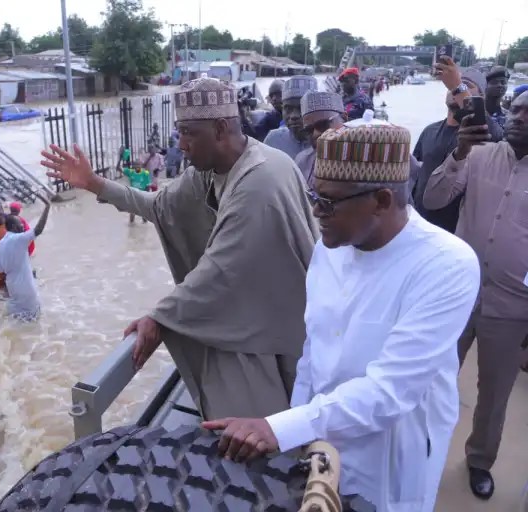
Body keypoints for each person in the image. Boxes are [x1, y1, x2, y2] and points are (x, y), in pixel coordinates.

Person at [204, 121, 481, 512]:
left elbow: (390, 392)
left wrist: (280, 428)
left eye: (329, 202)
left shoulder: (446, 265)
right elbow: (314, 351)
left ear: (382, 200)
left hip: (392, 450)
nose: (316, 211)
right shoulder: (329, 247)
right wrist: (296, 432)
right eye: (314, 195)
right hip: (320, 436)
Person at [41, 77, 318, 420]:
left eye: (189, 133)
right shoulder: (210, 170)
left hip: (284, 322)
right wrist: (94, 183)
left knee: (278, 422)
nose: (181, 145)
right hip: (257, 306)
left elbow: (219, 270)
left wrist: (160, 317)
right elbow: (161, 207)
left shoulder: (259, 181)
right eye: (180, 132)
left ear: (219, 129)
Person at [422, 91, 528, 501]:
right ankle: (424, 446)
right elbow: (433, 199)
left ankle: (480, 460)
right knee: (435, 379)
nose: (518, 118)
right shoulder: (479, 155)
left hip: (512, 307)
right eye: (515, 110)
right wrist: (459, 153)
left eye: (527, 113)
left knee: (494, 394)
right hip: (459, 297)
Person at [412, 67, 503, 233]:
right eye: (453, 86)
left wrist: (457, 86)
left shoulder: (482, 132)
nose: (454, 90)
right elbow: (415, 174)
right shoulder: (429, 130)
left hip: (458, 228)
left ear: (480, 97)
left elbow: (491, 131)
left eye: (466, 85)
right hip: (421, 222)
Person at [0, 202, 50, 321]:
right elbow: (38, 230)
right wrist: (47, 207)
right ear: (14, 227)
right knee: (34, 322)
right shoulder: (18, 239)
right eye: (21, 225)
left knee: (16, 320)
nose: (23, 227)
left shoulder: (1, 243)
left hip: (12, 289)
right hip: (26, 289)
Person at [294, 90, 346, 188]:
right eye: (309, 130)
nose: (315, 134)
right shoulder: (302, 161)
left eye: (322, 125)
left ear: (344, 118)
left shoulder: (364, 159)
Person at [263, 76, 317, 159]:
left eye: (301, 107)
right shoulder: (273, 140)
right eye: (288, 108)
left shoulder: (326, 142)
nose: (294, 116)